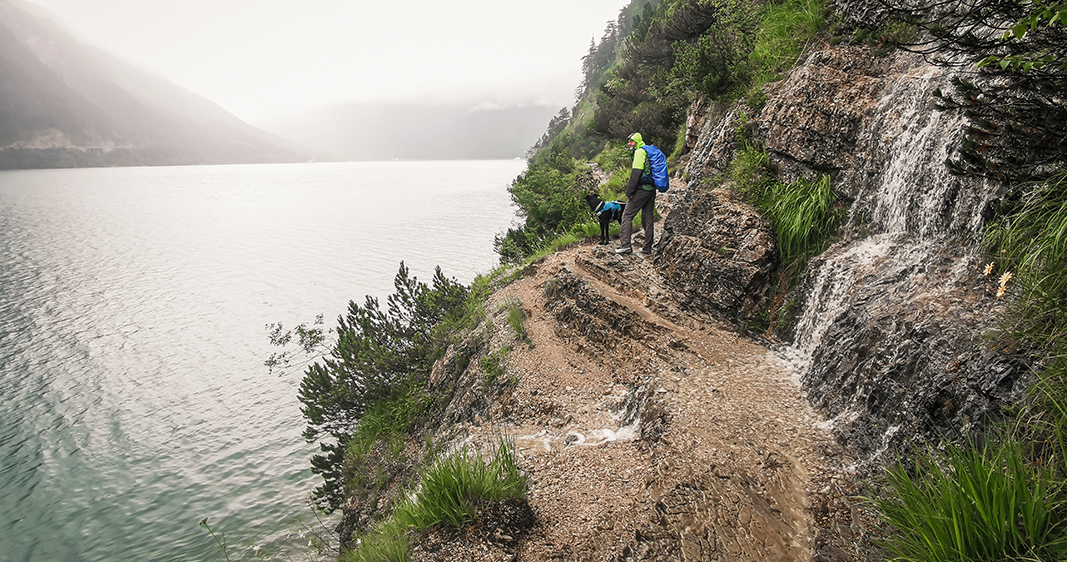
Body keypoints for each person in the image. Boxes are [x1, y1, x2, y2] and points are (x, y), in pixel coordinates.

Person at [616, 132, 657, 256]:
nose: (630, 143)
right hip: (651, 189)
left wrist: (630, 192)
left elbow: (636, 174)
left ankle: (626, 246)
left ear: (637, 141)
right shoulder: (648, 150)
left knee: (627, 215)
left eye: (632, 141)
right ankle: (647, 247)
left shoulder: (639, 152)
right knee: (648, 217)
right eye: (629, 141)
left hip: (642, 189)